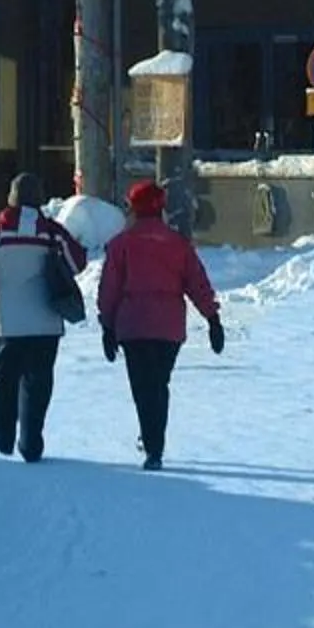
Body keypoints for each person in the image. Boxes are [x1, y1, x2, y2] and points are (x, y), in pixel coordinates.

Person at [0, 170, 88, 462]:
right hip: (46, 320)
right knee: (37, 384)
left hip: (7, 322)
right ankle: (31, 443)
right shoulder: (51, 231)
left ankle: (1, 443)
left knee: (4, 381)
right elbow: (77, 263)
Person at [96, 177, 223, 469]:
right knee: (159, 384)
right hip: (168, 327)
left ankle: (151, 442)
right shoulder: (178, 244)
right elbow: (197, 283)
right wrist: (212, 318)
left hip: (133, 326)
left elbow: (109, 289)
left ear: (134, 210)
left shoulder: (121, 245)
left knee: (142, 387)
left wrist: (107, 325)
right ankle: (155, 441)